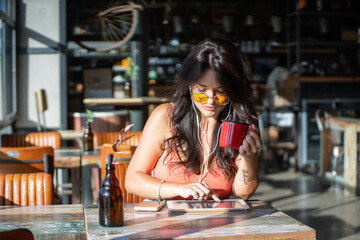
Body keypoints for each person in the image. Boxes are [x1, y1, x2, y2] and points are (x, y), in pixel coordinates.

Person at [125, 38, 262, 201]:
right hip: (165, 221)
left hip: (216, 222)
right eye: (202, 91)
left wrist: (249, 158)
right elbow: (132, 180)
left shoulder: (240, 123)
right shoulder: (167, 116)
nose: (211, 99)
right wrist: (179, 189)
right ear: (189, 85)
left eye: (221, 92)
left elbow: (243, 193)